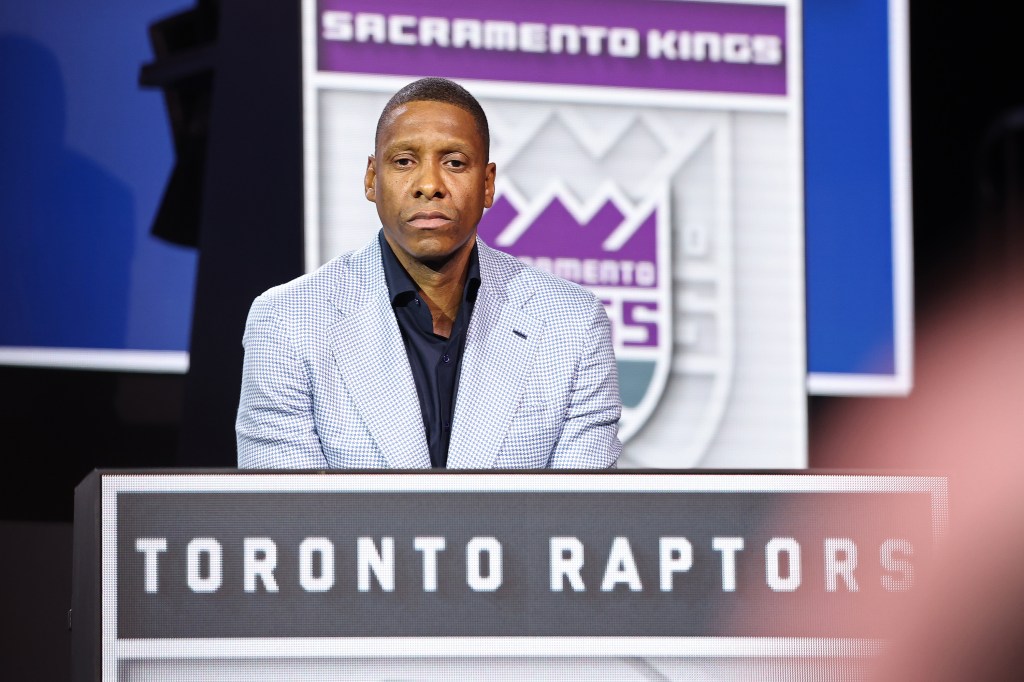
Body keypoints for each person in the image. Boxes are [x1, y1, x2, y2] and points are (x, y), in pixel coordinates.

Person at [236, 77, 621, 469]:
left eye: (454, 162)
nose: (430, 185)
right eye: (404, 161)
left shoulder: (572, 324)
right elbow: (287, 519)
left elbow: (580, 519)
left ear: (487, 185)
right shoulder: (288, 320)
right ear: (372, 179)